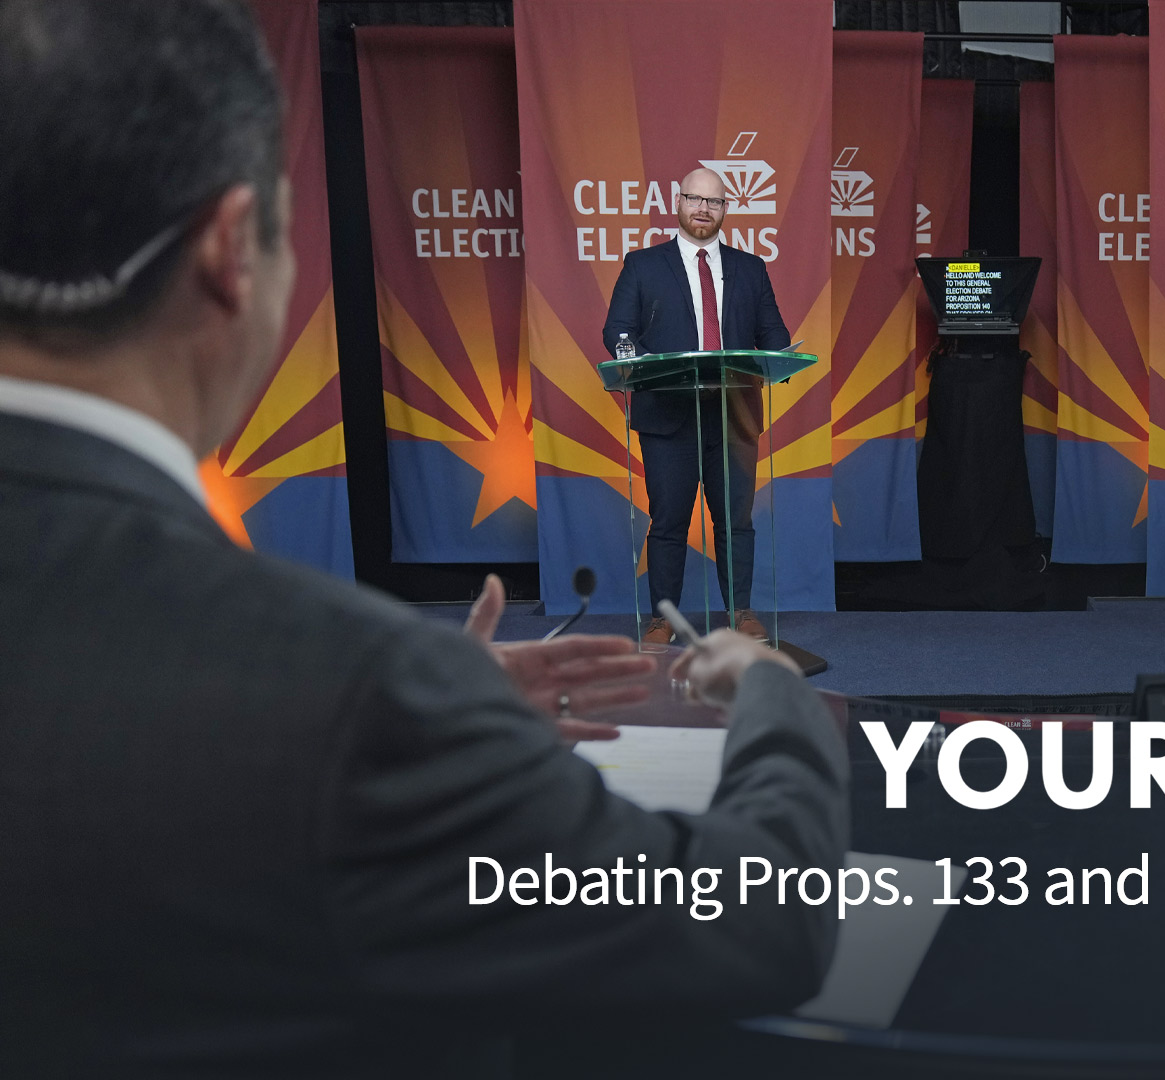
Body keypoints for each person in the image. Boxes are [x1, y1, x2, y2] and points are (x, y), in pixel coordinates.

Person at [0, 2, 847, 1074]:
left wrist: (431, 702)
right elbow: (756, 923)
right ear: (231, 249)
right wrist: (774, 696)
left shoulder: (359, 691)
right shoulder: (354, 696)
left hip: (731, 415)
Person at [602, 168, 791, 646]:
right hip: (668, 416)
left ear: (726, 209)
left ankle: (741, 613)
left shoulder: (752, 268)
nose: (703, 209)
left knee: (735, 520)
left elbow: (775, 336)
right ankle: (662, 619)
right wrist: (634, 362)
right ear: (678, 204)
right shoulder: (643, 265)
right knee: (668, 520)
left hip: (734, 415)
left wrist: (777, 357)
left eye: (714, 202)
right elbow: (617, 330)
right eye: (694, 199)